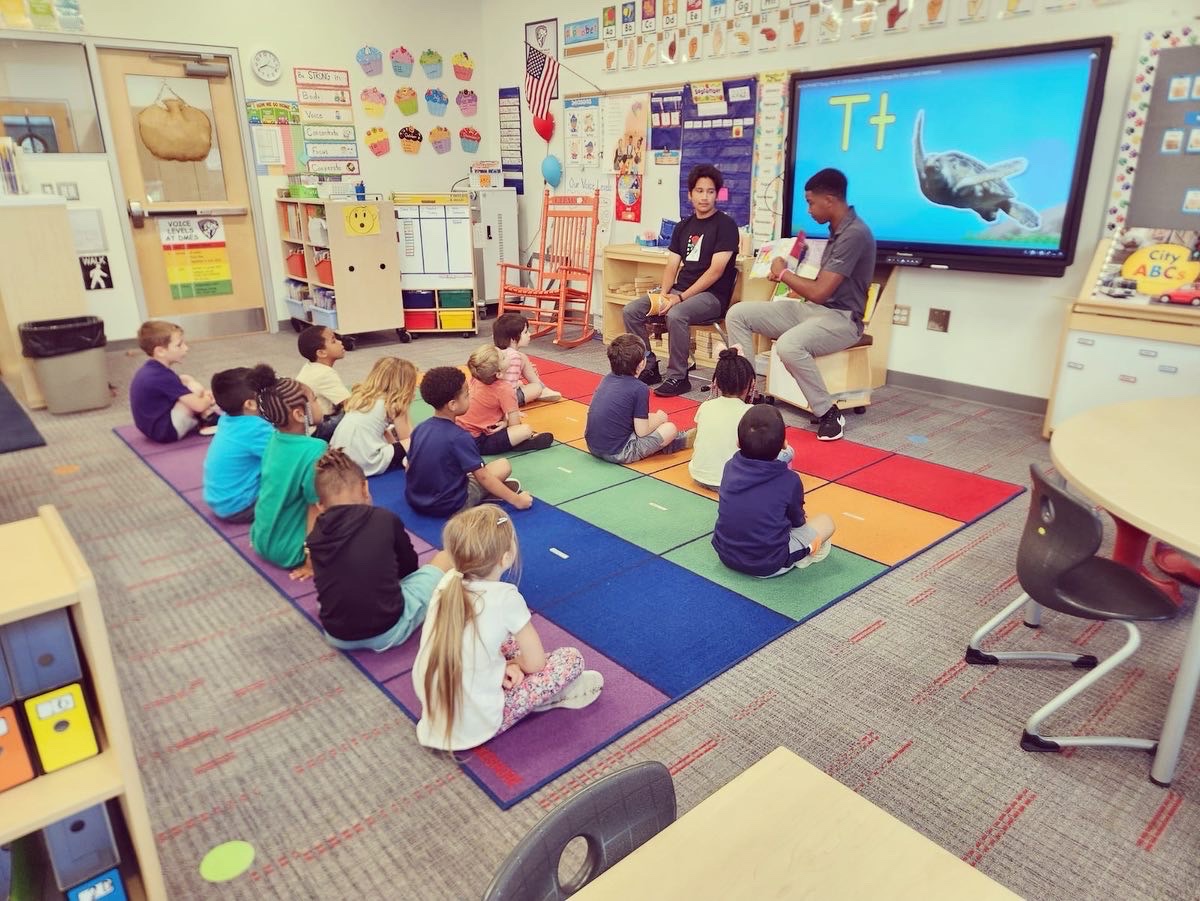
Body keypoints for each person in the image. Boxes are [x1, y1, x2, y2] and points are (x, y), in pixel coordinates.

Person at [411, 504, 603, 750]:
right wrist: (514, 665)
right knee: (571, 659)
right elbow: (535, 664)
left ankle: (506, 679)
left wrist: (500, 666)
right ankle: (542, 697)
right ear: (506, 557)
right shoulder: (506, 598)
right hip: (476, 725)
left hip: (433, 717)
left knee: (501, 641)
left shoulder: (447, 582)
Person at [724, 168, 876, 441]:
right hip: (813, 311)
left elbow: (820, 292)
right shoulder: (836, 230)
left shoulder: (855, 234)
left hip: (842, 319)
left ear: (829, 200)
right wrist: (789, 277)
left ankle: (829, 412)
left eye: (810, 202)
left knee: (789, 345)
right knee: (738, 313)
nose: (808, 209)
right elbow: (819, 291)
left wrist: (784, 273)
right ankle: (747, 396)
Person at [307, 449, 453, 652]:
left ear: (320, 506)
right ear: (365, 487)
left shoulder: (315, 534)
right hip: (387, 631)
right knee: (446, 558)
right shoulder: (384, 518)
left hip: (336, 634)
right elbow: (409, 567)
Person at [622, 163, 740, 397]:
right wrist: (664, 296)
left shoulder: (726, 226)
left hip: (712, 296)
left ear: (717, 194)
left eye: (710, 191)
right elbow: (672, 265)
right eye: (699, 191)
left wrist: (679, 298)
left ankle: (678, 376)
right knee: (631, 310)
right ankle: (649, 364)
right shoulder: (683, 226)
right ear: (690, 194)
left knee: (677, 314)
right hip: (679, 291)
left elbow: (715, 271)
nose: (704, 197)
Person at [712, 405, 835, 578]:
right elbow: (798, 522)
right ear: (784, 444)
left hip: (725, 554)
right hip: (768, 564)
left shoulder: (729, 467)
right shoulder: (790, 480)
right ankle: (803, 555)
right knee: (826, 522)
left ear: (738, 442)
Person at [405, 366, 533, 516]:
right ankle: (486, 497)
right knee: (503, 465)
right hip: (451, 506)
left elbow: (409, 467)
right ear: (452, 404)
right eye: (467, 395)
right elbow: (483, 477)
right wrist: (518, 500)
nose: (470, 397)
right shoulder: (460, 436)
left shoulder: (421, 428)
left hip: (416, 501)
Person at [246, 364, 326, 579]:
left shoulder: (274, 439)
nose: (318, 405)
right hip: (290, 551)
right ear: (300, 414)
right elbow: (315, 509)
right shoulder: (315, 448)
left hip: (261, 539)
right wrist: (311, 561)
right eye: (315, 399)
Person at [687, 349, 792, 489]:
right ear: (751, 385)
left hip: (699, 476)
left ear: (716, 383)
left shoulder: (705, 406)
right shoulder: (750, 412)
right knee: (787, 452)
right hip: (735, 481)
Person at [584, 334, 695, 464]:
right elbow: (642, 432)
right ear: (642, 363)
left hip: (593, 446)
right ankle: (677, 441)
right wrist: (660, 418)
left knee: (648, 419)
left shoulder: (607, 379)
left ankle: (668, 441)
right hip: (618, 452)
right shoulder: (640, 388)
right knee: (669, 428)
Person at [201, 367, 274, 523]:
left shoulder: (228, 419)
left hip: (220, 500)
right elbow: (286, 455)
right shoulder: (255, 428)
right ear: (250, 404)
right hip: (239, 506)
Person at [129, 320, 218, 443]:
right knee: (194, 389)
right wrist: (208, 398)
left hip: (152, 428)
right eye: (179, 345)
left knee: (185, 379)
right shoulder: (162, 376)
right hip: (166, 432)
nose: (186, 348)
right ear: (160, 351)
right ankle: (208, 417)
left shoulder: (151, 369)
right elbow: (199, 405)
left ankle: (207, 416)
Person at [457, 345, 554, 455]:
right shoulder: (504, 389)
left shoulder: (475, 378)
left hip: (458, 434)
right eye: (503, 357)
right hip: (478, 442)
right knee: (525, 430)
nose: (507, 355)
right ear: (498, 373)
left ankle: (512, 440)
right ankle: (518, 443)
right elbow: (515, 424)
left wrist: (504, 422)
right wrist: (507, 423)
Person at [330, 356, 416, 476]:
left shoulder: (362, 397)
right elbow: (408, 439)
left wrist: (393, 445)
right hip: (364, 461)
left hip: (340, 455)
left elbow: (384, 432)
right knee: (417, 441)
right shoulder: (394, 404)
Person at [491, 312, 562, 405]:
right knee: (536, 388)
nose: (529, 334)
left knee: (520, 382)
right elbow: (509, 389)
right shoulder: (515, 356)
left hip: (491, 395)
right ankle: (542, 389)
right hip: (504, 400)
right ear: (513, 339)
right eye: (525, 332)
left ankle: (540, 387)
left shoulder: (495, 352)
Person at [295, 326, 349, 441]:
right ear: (321, 353)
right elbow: (349, 403)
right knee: (356, 412)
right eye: (334, 341)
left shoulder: (310, 367)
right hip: (318, 430)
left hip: (306, 427)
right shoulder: (325, 374)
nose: (340, 342)